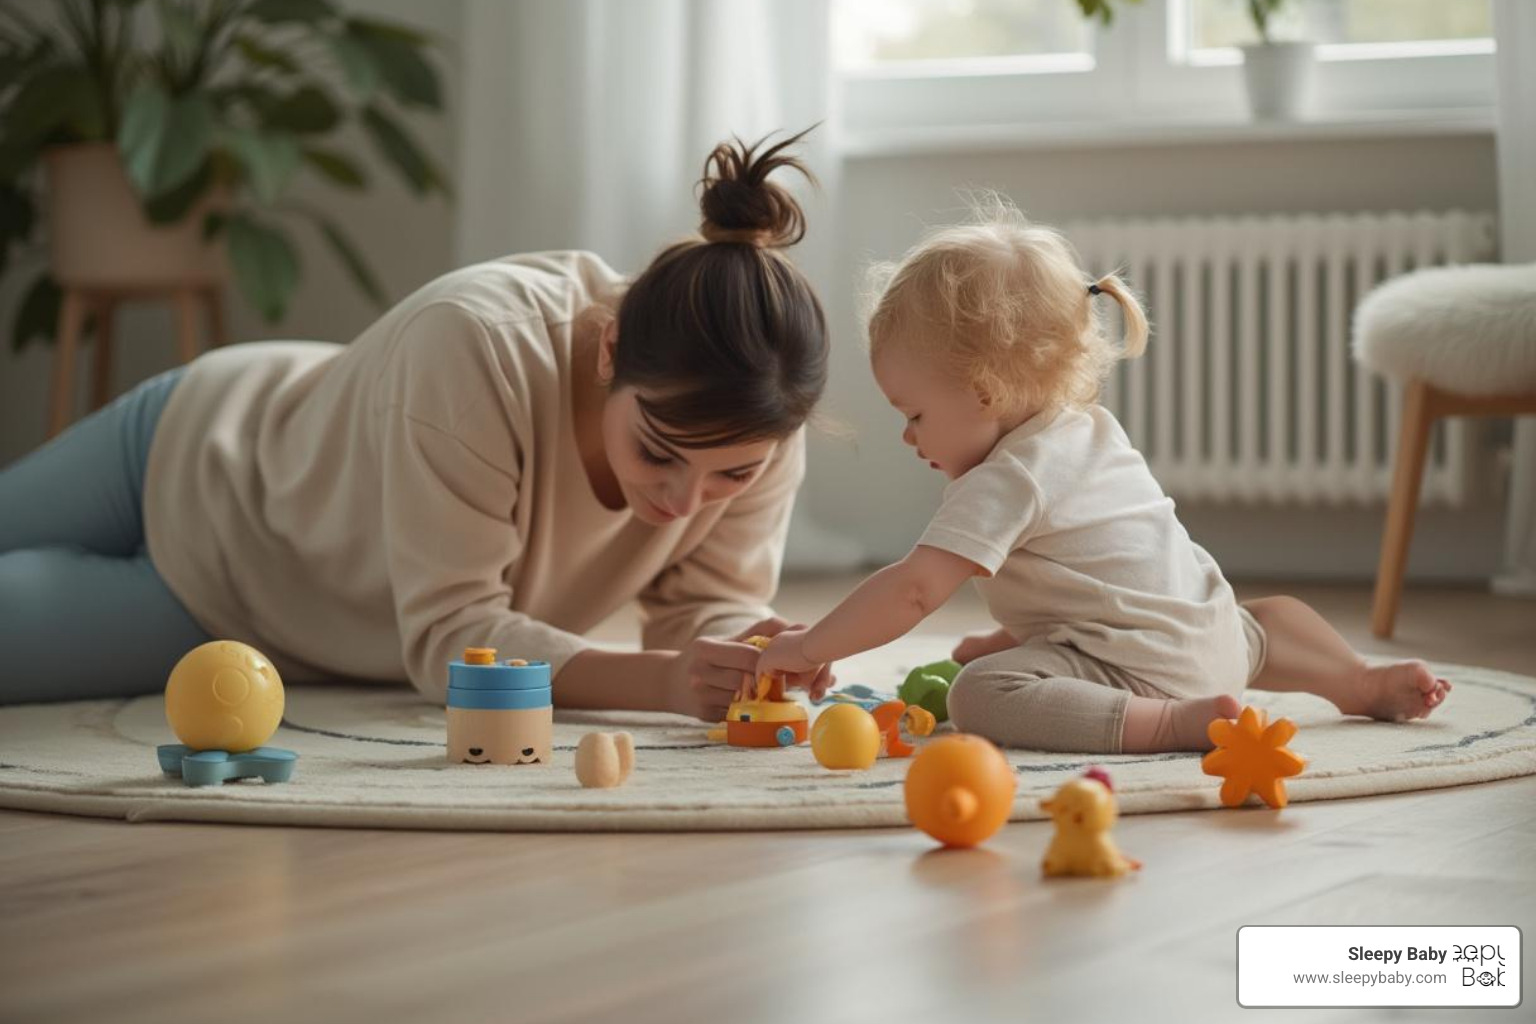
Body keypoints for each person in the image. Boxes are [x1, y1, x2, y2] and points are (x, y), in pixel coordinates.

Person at [0, 129, 832, 722]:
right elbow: (450, 637)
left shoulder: (763, 421)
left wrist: (743, 657)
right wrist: (659, 684)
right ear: (610, 348)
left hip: (220, 613)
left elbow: (706, 605)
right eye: (659, 453)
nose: (687, 501)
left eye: (731, 476)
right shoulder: (478, 344)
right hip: (188, 452)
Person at [755, 197, 1451, 753]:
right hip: (1213, 639)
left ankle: (1168, 725)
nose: (907, 437)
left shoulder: (1004, 479)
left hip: (1147, 677)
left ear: (985, 391)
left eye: (912, 414)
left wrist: (809, 644)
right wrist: (1016, 636)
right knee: (1261, 622)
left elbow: (912, 592)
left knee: (980, 694)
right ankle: (1357, 680)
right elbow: (1102, 580)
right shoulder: (1088, 432)